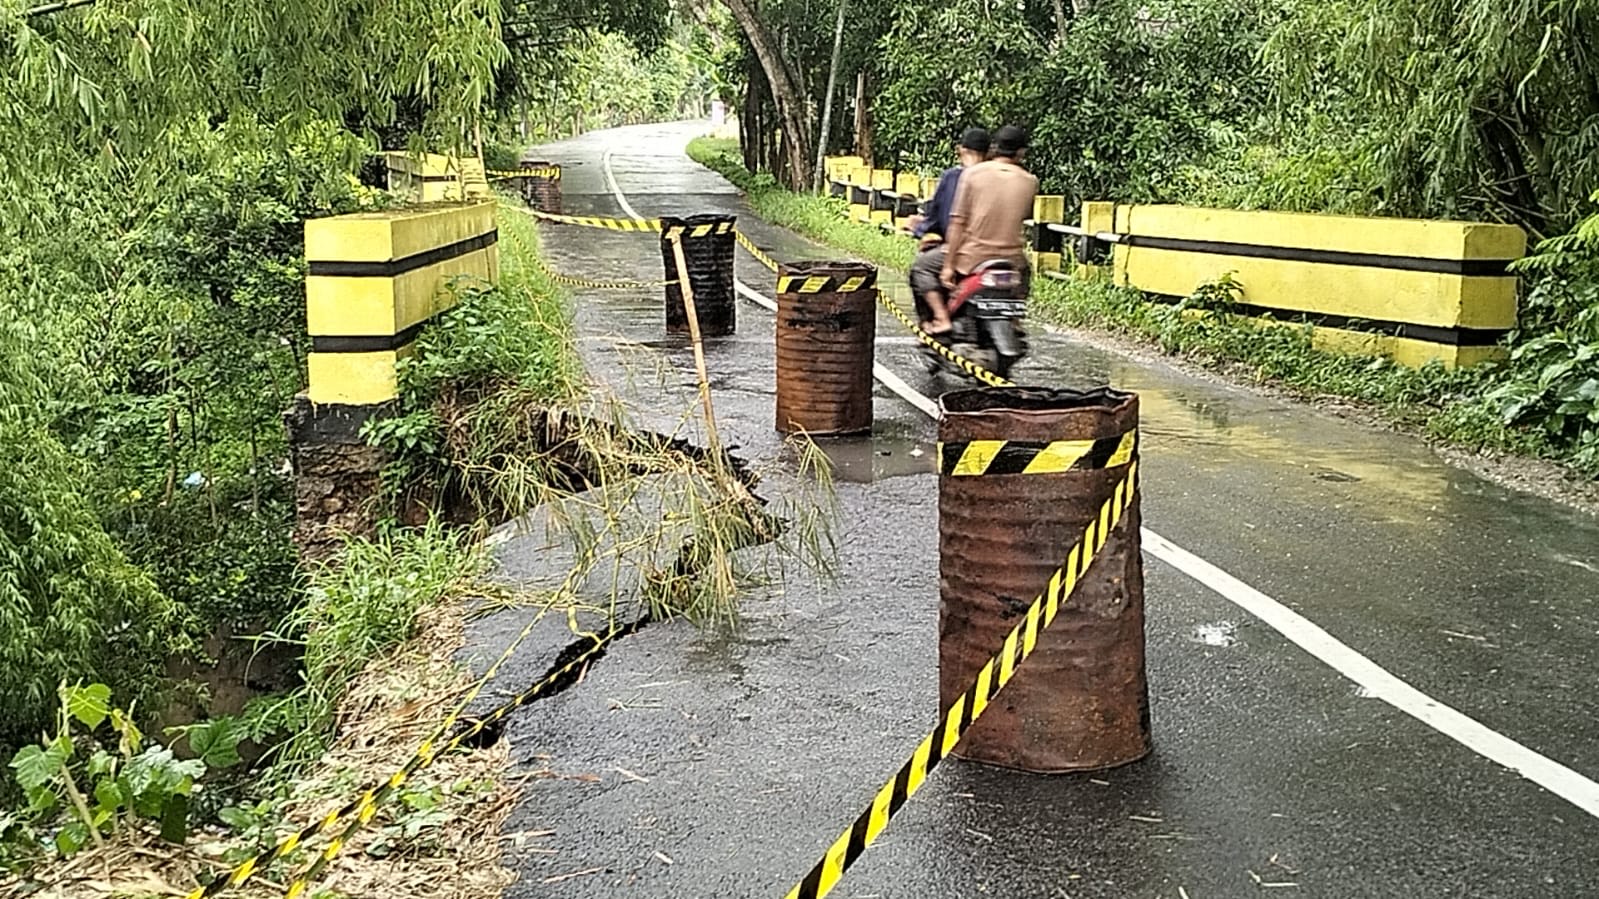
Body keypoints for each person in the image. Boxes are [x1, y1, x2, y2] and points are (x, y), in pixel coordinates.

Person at [940, 124, 1038, 304]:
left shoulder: (972, 174)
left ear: (994, 149)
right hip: (1012, 260)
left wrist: (948, 265)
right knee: (1025, 275)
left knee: (924, 268)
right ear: (1021, 152)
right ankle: (1015, 317)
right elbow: (1025, 215)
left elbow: (958, 222)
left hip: (973, 257)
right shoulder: (1030, 181)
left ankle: (941, 319)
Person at [906, 128, 990, 333]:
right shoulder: (998, 178)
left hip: (964, 250)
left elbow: (943, 217)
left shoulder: (954, 177)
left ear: (960, 150)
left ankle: (940, 318)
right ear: (988, 154)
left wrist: (920, 228)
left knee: (921, 268)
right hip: (1000, 253)